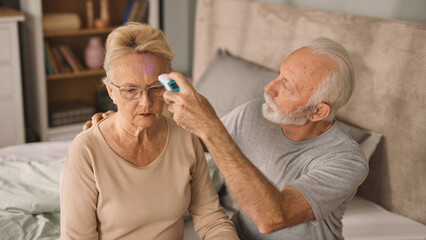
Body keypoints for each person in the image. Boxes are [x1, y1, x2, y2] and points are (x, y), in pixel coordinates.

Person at [86, 37, 368, 240]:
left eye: (287, 87)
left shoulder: (345, 160)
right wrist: (118, 130)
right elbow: (187, 147)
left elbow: (272, 218)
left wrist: (210, 125)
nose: (269, 88)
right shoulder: (254, 115)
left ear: (318, 111)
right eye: (278, 74)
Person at [60, 22, 237, 240]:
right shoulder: (85, 151)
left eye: (155, 88)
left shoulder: (185, 137)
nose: (145, 103)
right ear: (111, 92)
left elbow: (211, 218)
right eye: (130, 90)